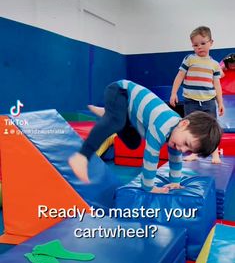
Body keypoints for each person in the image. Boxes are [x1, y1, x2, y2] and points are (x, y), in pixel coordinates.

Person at [69, 80, 222, 193]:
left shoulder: (178, 135)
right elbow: (150, 157)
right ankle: (81, 157)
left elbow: (175, 159)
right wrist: (149, 187)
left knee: (134, 143)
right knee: (116, 122)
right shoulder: (162, 127)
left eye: (188, 149)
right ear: (184, 124)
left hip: (131, 113)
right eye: (186, 143)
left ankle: (111, 114)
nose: (182, 149)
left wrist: (175, 182)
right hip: (121, 91)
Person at [170, 26, 224, 164]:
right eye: (195, 45)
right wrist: (174, 93)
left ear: (211, 42)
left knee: (211, 129)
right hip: (191, 101)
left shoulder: (214, 65)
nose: (199, 47)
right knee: (191, 129)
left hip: (208, 101)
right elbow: (179, 76)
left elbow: (217, 85)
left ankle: (215, 154)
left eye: (203, 43)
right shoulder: (189, 59)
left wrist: (220, 102)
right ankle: (193, 153)